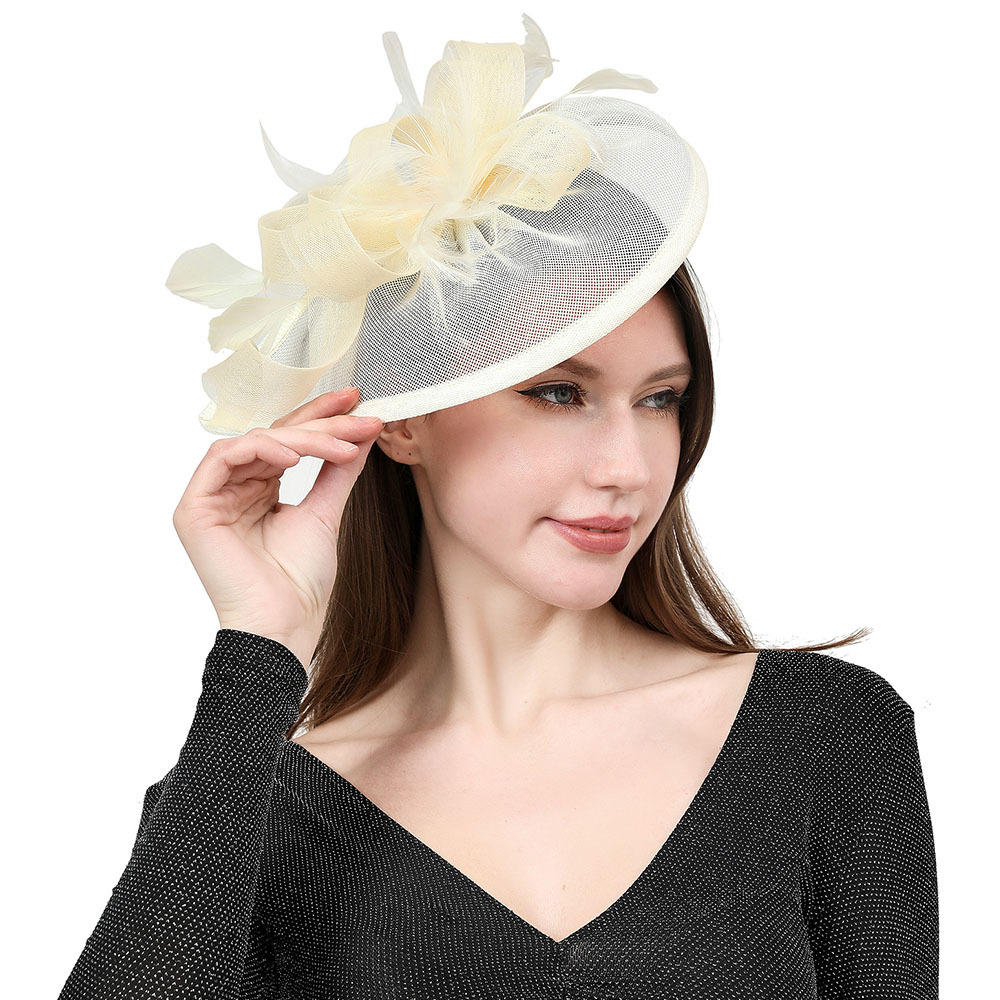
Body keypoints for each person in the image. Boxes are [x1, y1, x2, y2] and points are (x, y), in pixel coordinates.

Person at [57, 15, 938, 1000]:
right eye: (558, 392)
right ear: (403, 419)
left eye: (660, 399)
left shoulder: (823, 736)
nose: (628, 466)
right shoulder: (255, 808)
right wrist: (258, 647)